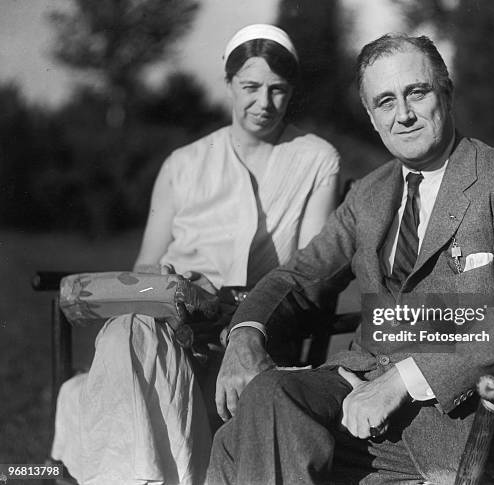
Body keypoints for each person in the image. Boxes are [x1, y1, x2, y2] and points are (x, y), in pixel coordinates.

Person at [206, 34, 494, 485]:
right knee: (269, 395)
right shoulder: (369, 195)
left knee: (241, 442)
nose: (404, 115)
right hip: (356, 394)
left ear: (446, 94)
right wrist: (245, 335)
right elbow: (299, 277)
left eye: (417, 92)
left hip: (456, 423)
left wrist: (401, 381)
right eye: (386, 102)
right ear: (373, 119)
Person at [51, 24, 340, 485]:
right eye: (250, 87)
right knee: (130, 327)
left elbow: (311, 274)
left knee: (124, 344)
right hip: (168, 321)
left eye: (278, 90)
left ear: (291, 93)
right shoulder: (184, 164)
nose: (263, 103)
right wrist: (170, 284)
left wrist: (221, 304)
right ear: (228, 84)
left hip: (250, 331)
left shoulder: (315, 158)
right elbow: (142, 269)